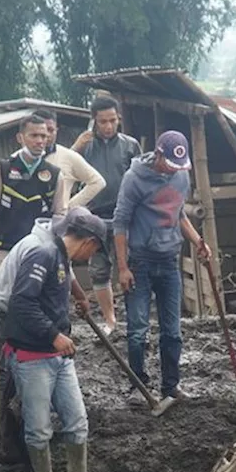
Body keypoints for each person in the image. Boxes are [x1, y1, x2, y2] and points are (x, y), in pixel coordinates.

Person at [0, 208, 104, 472]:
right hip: (32, 354)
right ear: (89, 242)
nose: (91, 257)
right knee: (39, 427)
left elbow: (64, 274)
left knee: (77, 420)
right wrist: (55, 335)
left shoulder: (58, 250)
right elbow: (22, 303)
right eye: (94, 250)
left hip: (58, 356)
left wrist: (78, 295)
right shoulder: (41, 253)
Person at [113, 130, 213, 401]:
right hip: (140, 262)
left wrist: (198, 241)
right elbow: (120, 222)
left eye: (179, 166)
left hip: (169, 260)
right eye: (170, 164)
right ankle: (138, 386)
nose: (174, 170)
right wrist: (123, 267)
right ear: (158, 155)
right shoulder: (134, 179)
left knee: (172, 331)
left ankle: (171, 386)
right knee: (137, 330)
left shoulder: (181, 175)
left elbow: (178, 213)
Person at [74, 96, 142, 336]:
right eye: (103, 121)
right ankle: (111, 320)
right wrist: (76, 148)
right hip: (95, 218)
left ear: (119, 119)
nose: (108, 126)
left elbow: (140, 180)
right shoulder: (84, 146)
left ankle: (135, 318)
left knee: (131, 266)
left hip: (125, 216)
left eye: (113, 120)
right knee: (99, 270)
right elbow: (65, 172)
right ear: (94, 121)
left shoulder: (130, 145)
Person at [0, 115, 66, 276]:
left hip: (40, 251)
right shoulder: (2, 171)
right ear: (20, 138)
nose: (40, 141)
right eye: (34, 135)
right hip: (5, 249)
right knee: (2, 298)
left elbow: (60, 217)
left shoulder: (55, 175)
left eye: (43, 136)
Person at [35, 108, 106, 211]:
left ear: (56, 130)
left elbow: (98, 182)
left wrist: (67, 207)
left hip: (57, 221)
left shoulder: (68, 156)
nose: (47, 135)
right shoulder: (19, 158)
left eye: (50, 130)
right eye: (42, 130)